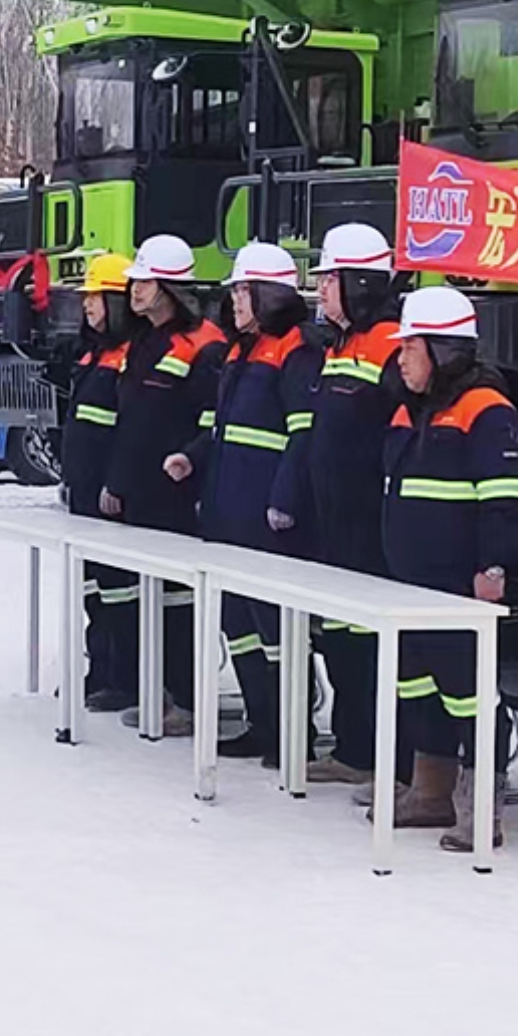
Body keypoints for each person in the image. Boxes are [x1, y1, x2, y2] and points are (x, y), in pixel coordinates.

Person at [382, 285, 518, 850]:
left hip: (456, 584)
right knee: (417, 686)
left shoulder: (485, 409)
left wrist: (492, 566)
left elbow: (502, 495)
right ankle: (429, 793)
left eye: (409, 349)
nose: (400, 360)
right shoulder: (410, 407)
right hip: (410, 579)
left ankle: (480, 808)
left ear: (442, 351)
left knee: (470, 695)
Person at [271, 222, 408, 786]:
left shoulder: (392, 342)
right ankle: (354, 749)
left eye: (329, 280)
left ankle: (387, 756)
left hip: (369, 519)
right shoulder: (341, 344)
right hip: (333, 519)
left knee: (373, 644)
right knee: (343, 639)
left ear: (360, 283)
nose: (320, 291)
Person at [182, 241, 310, 763]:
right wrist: (192, 459)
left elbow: (303, 435)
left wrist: (284, 500)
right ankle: (262, 720)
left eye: (244, 290)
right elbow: (220, 426)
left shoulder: (297, 349)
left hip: (264, 514)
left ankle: (290, 729)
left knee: (275, 627)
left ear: (271, 296)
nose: (235, 300)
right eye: (234, 290)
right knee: (238, 624)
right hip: (227, 508)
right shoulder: (241, 350)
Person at [100, 234, 220, 727]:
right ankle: (165, 693)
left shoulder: (204, 345)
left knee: (177, 603)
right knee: (151, 597)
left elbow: (213, 418)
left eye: (144, 282)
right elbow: (133, 423)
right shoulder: (145, 342)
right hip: (141, 492)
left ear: (169, 287)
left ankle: (190, 703)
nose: (134, 290)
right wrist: (117, 482)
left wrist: (189, 459)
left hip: (177, 492)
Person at [53, 251, 141, 714]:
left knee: (118, 592)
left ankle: (123, 677)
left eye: (97, 298)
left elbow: (127, 429)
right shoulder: (95, 352)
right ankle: (100, 671)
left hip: (109, 496)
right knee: (93, 591)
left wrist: (114, 483)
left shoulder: (129, 355)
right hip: (84, 493)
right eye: (87, 298)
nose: (88, 307)